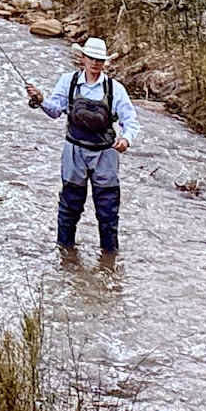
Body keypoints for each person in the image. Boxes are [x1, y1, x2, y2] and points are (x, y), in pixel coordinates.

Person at [25, 36, 134, 256]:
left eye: (100, 60)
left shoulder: (116, 89)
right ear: (82, 58)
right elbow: (55, 110)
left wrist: (126, 139)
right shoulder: (68, 81)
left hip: (106, 154)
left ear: (105, 63)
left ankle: (109, 257)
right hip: (74, 152)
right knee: (69, 207)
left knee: (108, 210)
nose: (95, 63)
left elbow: (130, 121)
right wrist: (41, 99)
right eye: (91, 58)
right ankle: (65, 254)